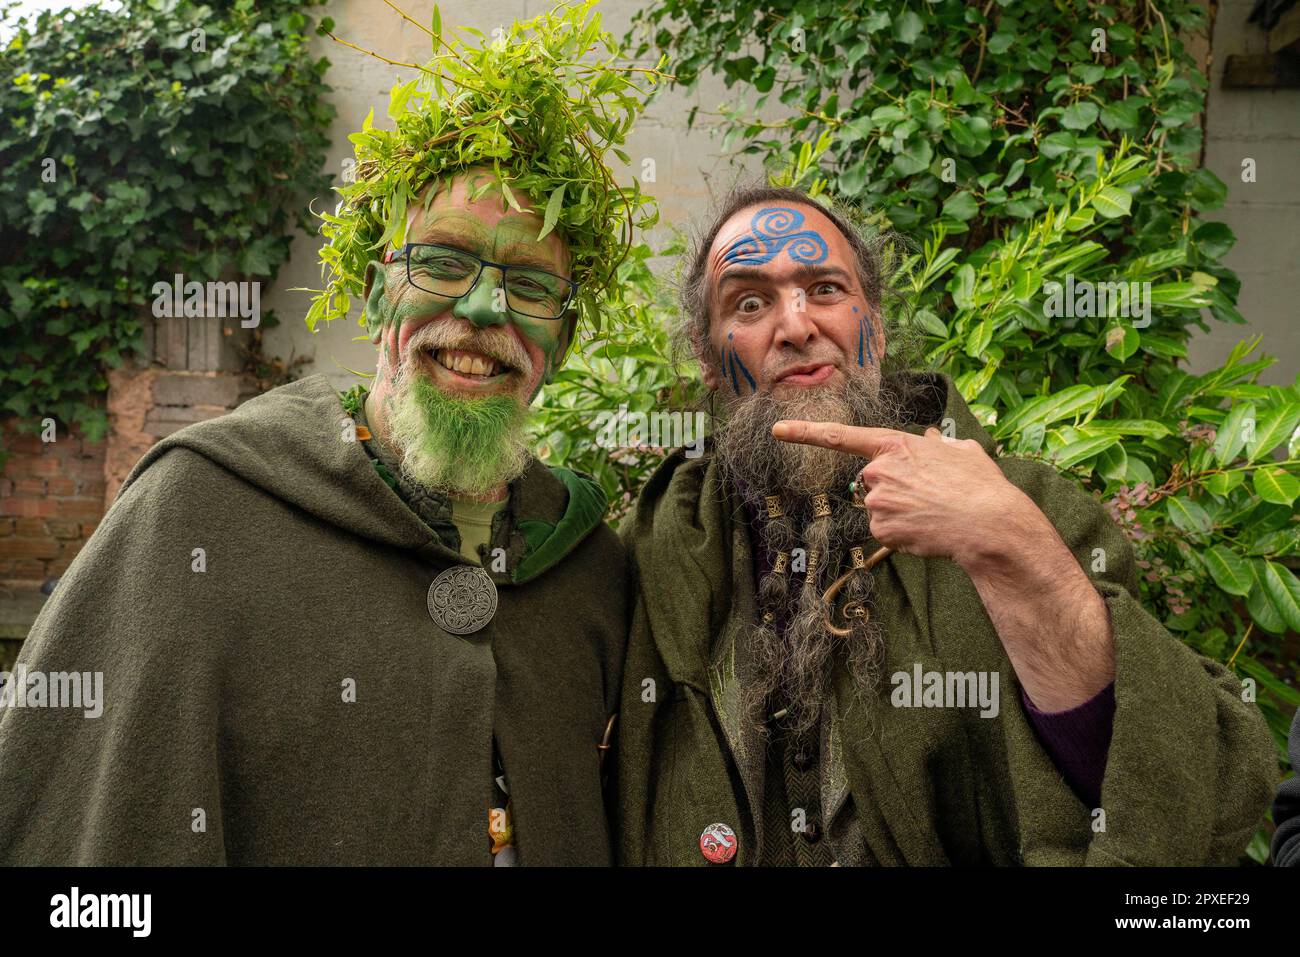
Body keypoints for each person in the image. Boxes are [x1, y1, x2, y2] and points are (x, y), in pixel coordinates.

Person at [0, 5, 652, 865]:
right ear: (380, 297)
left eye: (530, 284)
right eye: (443, 262)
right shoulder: (197, 510)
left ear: (560, 343)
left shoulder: (592, 572)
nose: (484, 309)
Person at [613, 184, 1277, 866]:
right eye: (749, 303)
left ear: (872, 316)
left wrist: (1010, 545)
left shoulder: (1027, 501)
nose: (796, 325)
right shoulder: (656, 546)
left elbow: (1194, 788)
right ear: (704, 351)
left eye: (826, 288)